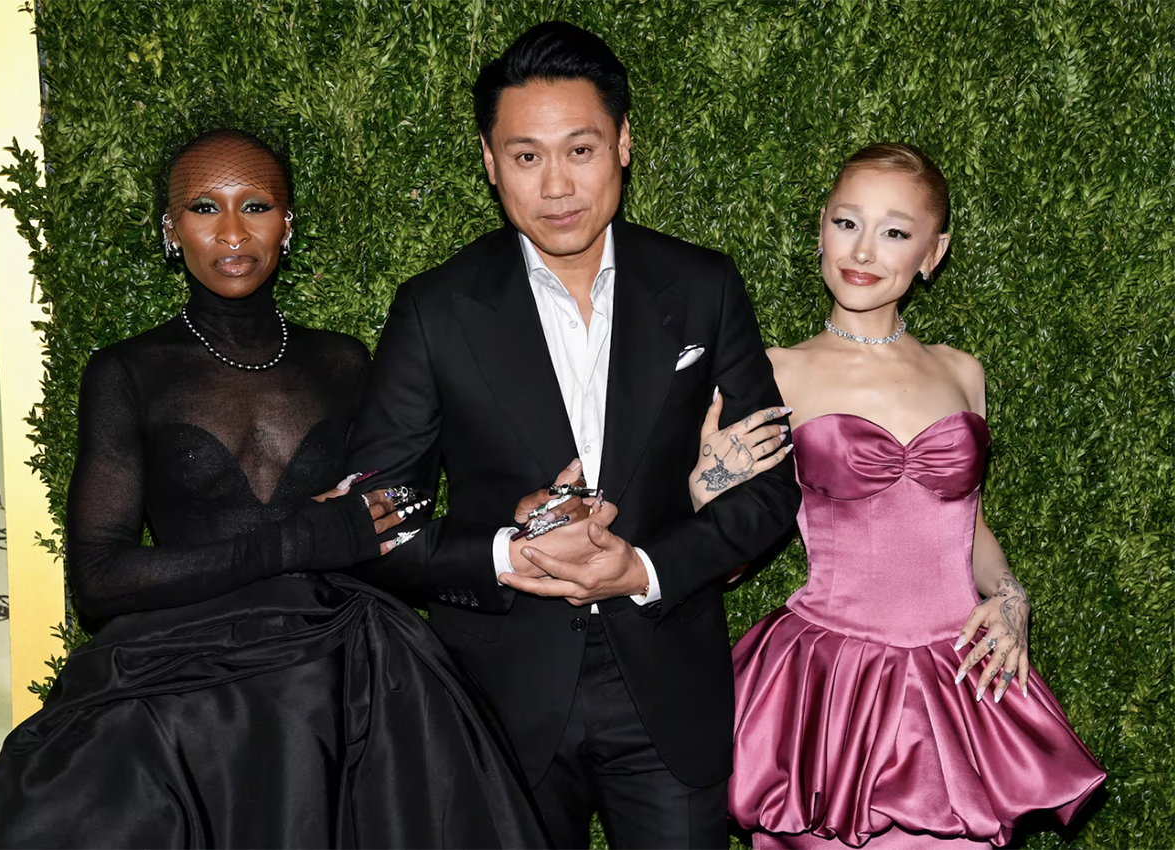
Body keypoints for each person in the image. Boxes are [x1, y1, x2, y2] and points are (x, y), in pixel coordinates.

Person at [0, 128, 546, 848]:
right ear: (170, 231)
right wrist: (300, 540)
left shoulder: (343, 362)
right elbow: (98, 577)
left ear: (288, 225)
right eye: (206, 207)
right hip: (185, 683)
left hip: (349, 671)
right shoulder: (127, 373)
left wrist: (513, 523)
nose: (234, 231)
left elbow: (396, 519)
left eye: (258, 205)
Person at [346, 22, 801, 849]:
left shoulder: (702, 287)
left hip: (666, 684)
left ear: (624, 143)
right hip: (497, 698)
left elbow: (772, 488)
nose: (556, 184)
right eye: (525, 156)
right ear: (489, 161)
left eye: (580, 149)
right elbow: (376, 516)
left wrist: (645, 566)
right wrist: (502, 553)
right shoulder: (434, 309)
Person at [692, 143, 1106, 848]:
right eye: (847, 222)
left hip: (957, 683)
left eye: (894, 231)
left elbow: (963, 525)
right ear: (821, 224)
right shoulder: (774, 373)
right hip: (832, 689)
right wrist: (708, 485)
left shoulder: (963, 372)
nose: (863, 250)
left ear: (933, 252)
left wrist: (1010, 598)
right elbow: (725, 564)